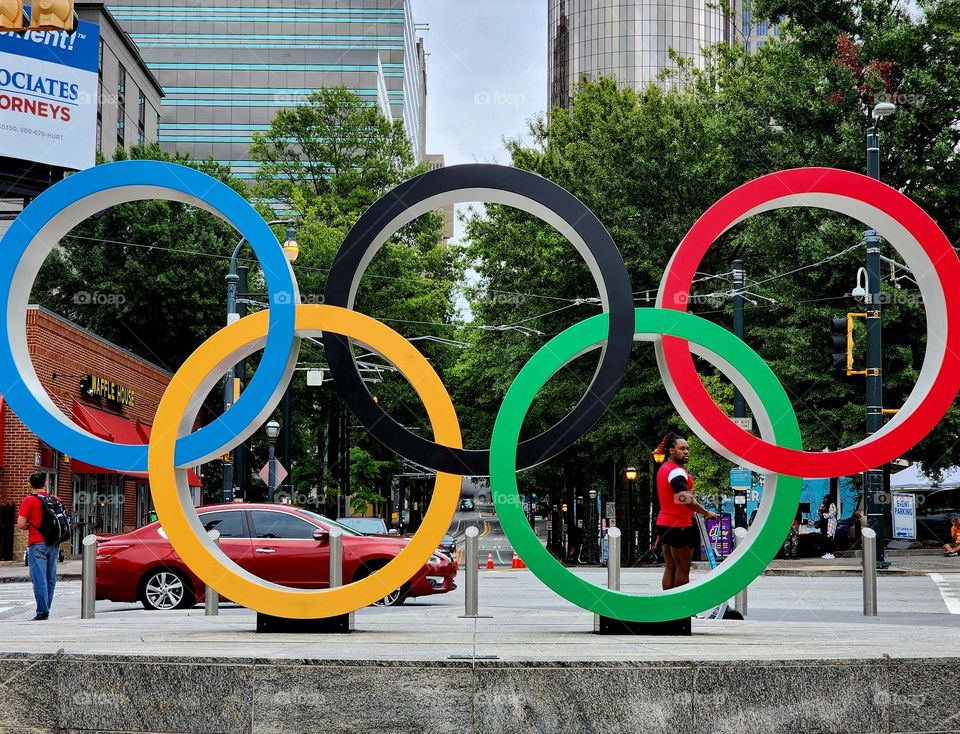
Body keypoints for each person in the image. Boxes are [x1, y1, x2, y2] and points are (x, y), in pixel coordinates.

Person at [653, 432, 717, 590]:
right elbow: (684, 498)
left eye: (687, 448)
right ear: (671, 450)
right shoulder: (675, 471)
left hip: (665, 523)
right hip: (680, 524)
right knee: (682, 569)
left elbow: (676, 497)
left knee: (670, 567)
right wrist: (705, 512)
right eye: (682, 448)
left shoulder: (664, 469)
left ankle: (669, 609)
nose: (686, 451)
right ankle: (680, 610)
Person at [16, 473, 60, 621]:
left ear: (30, 485)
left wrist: (30, 525)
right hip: (54, 544)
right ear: (45, 484)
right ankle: (47, 606)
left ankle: (42, 611)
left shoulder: (29, 500)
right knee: (50, 578)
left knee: (39, 578)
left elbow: (21, 524)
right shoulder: (55, 499)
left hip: (37, 543)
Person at [818, 492, 838, 560]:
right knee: (825, 539)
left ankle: (831, 553)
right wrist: (821, 506)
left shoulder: (832, 505)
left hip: (830, 524)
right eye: (824, 498)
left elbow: (832, 513)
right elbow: (818, 511)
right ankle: (827, 553)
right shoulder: (824, 504)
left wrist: (824, 514)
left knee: (830, 538)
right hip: (824, 524)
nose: (825, 499)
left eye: (826, 498)